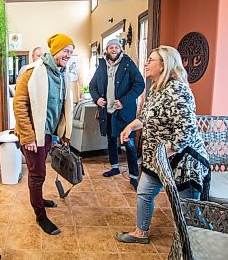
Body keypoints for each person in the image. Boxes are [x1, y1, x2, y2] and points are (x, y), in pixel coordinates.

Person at [116, 45, 210, 244]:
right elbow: (148, 117)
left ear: (164, 64)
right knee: (144, 192)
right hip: (157, 159)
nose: (146, 63)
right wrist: (131, 126)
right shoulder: (157, 87)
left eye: (151, 60)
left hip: (182, 163)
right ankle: (141, 233)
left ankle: (204, 242)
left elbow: (185, 131)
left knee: (185, 209)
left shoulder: (178, 90)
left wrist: (164, 154)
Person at [13, 34, 74, 235]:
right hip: (33, 135)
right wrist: (28, 136)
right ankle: (40, 215)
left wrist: (64, 132)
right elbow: (19, 104)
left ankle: (39, 199)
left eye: (71, 52)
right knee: (37, 174)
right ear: (55, 50)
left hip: (49, 133)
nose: (68, 55)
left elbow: (61, 106)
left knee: (41, 172)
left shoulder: (61, 73)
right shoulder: (32, 72)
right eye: (66, 50)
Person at [89, 38, 145, 189]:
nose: (113, 49)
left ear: (120, 49)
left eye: (116, 47)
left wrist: (124, 101)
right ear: (106, 50)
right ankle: (114, 167)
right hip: (107, 111)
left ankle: (134, 176)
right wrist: (97, 99)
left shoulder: (128, 64)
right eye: (110, 47)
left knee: (129, 144)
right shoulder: (101, 65)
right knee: (111, 141)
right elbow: (92, 85)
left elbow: (140, 85)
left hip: (124, 112)